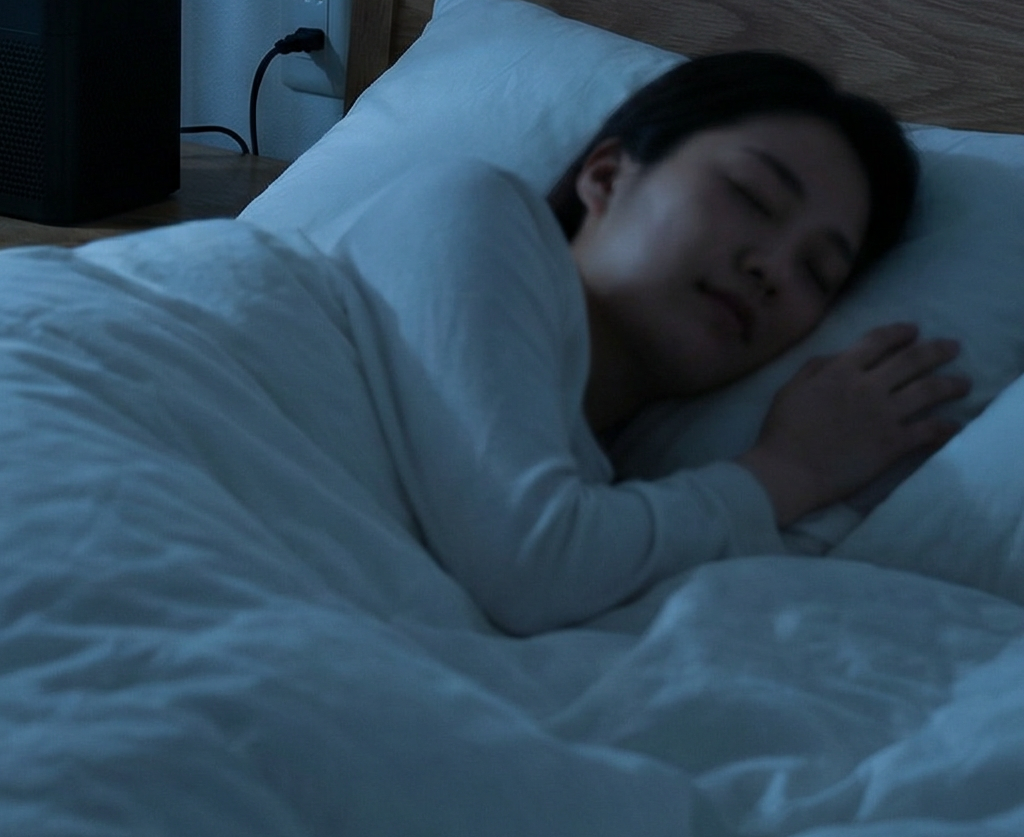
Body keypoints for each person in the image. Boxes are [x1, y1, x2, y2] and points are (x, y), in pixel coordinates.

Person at [336, 52, 970, 633]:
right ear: (608, 177)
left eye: (817, 273)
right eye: (752, 196)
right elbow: (533, 565)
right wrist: (787, 471)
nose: (774, 268)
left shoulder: (615, 507)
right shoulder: (470, 208)